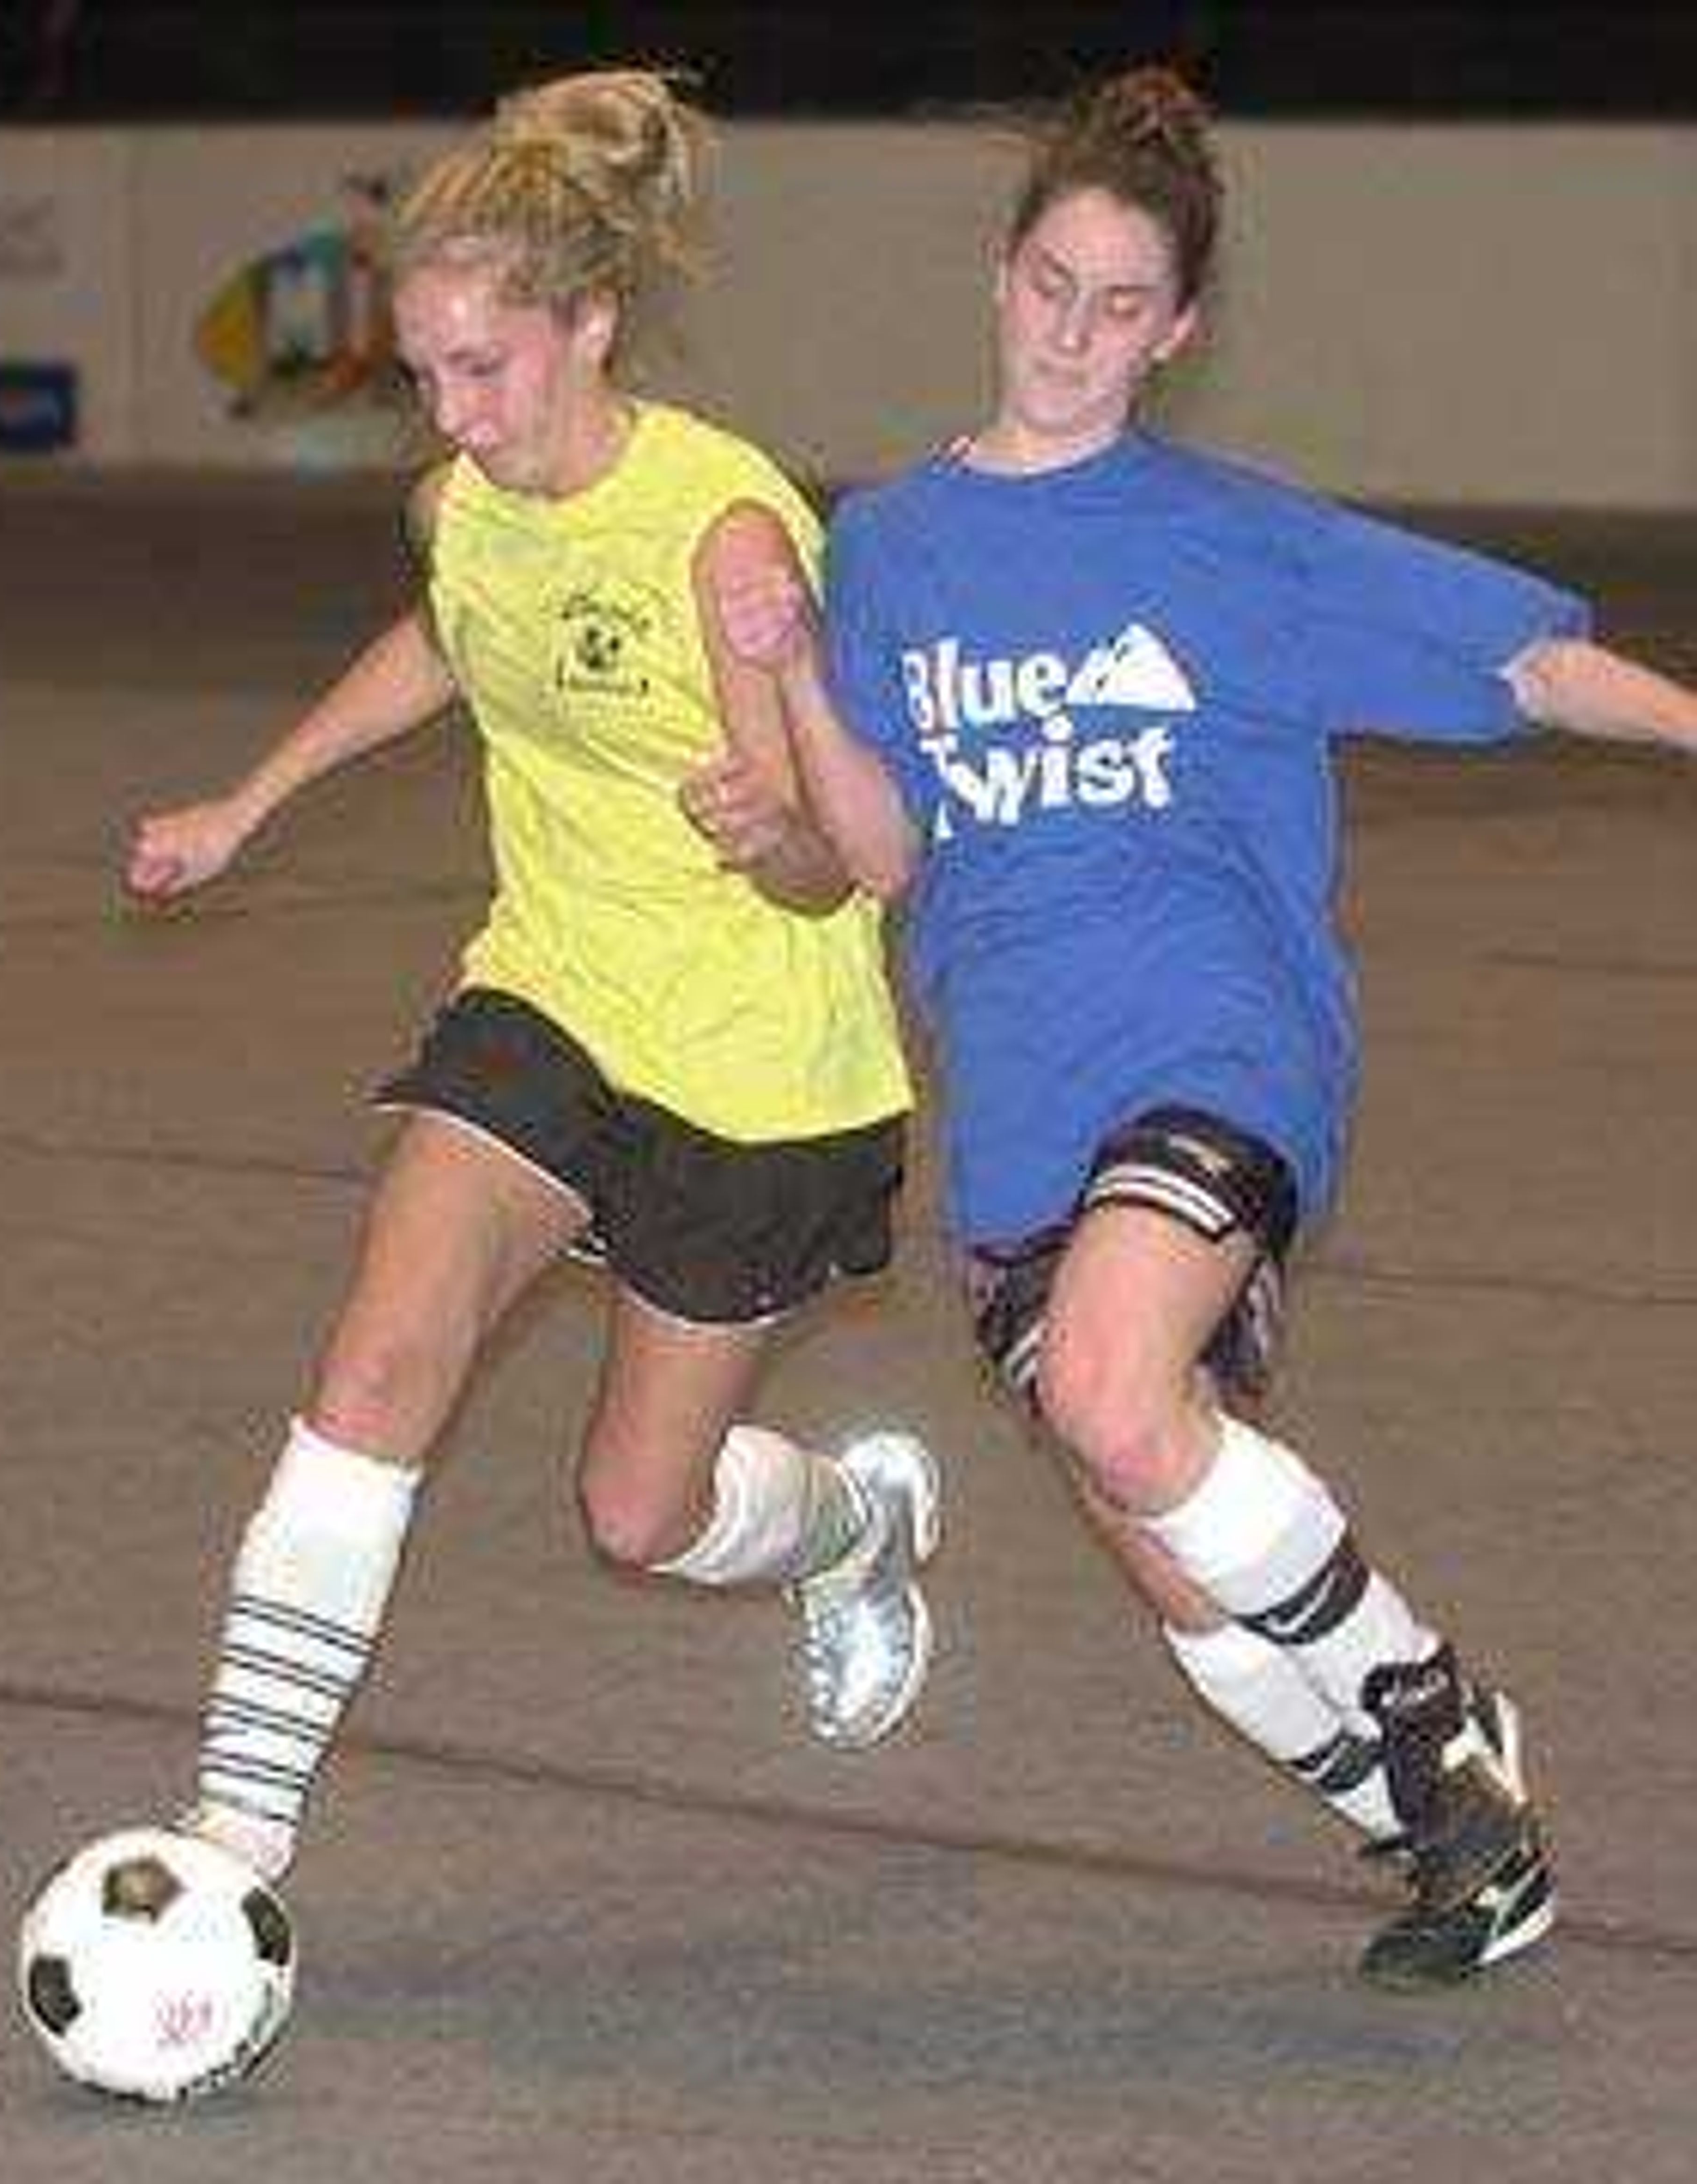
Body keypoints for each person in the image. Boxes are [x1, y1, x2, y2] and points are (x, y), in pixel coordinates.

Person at [694, 63, 1697, 1989]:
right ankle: (1453, 1844)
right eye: (1052, 286)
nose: (1075, 334)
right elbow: (886, 850)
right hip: (1019, 1096)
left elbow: (1524, 659)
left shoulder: (1232, 537)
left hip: (1216, 1027)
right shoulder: (890, 547)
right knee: (1162, 1514)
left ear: (1180, 333)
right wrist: (795, 689)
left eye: (1122, 306)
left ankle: (1427, 1703)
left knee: (1106, 1387)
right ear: (1000, 278)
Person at [121, 67, 939, 1888]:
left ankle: (845, 1523)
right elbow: (441, 636)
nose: (453, 413)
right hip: (552, 998)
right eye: (424, 374)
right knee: (374, 1365)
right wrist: (252, 802)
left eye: (484, 369)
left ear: (590, 326)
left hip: (756, 1062)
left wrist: (767, 824)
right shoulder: (468, 503)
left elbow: (834, 873)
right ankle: (229, 1845)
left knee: (639, 1511)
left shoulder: (726, 536)